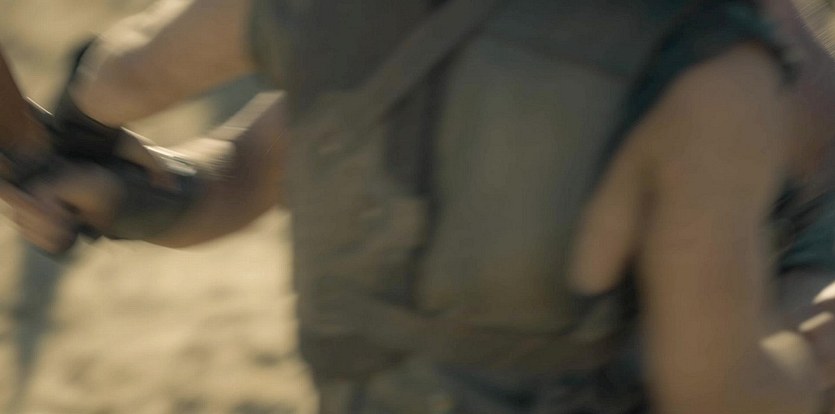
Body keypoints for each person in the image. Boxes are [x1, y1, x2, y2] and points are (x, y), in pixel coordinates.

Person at [3, 0, 835, 412]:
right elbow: (716, 394)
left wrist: (108, 182)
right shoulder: (708, 65)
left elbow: (151, 92)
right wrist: (812, 338)